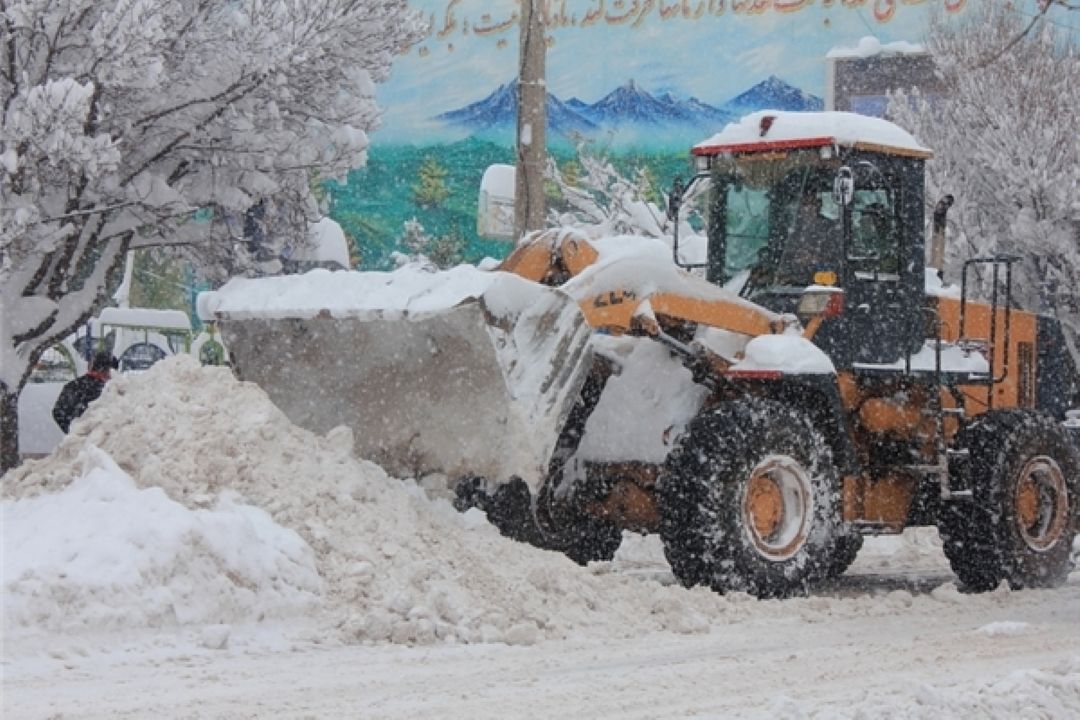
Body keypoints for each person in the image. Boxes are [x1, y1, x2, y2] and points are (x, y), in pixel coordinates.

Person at [52, 351, 116, 433]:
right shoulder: (108, 390)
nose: (112, 376)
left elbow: (58, 413)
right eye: (111, 371)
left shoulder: (74, 385)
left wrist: (74, 431)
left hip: (85, 440)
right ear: (105, 370)